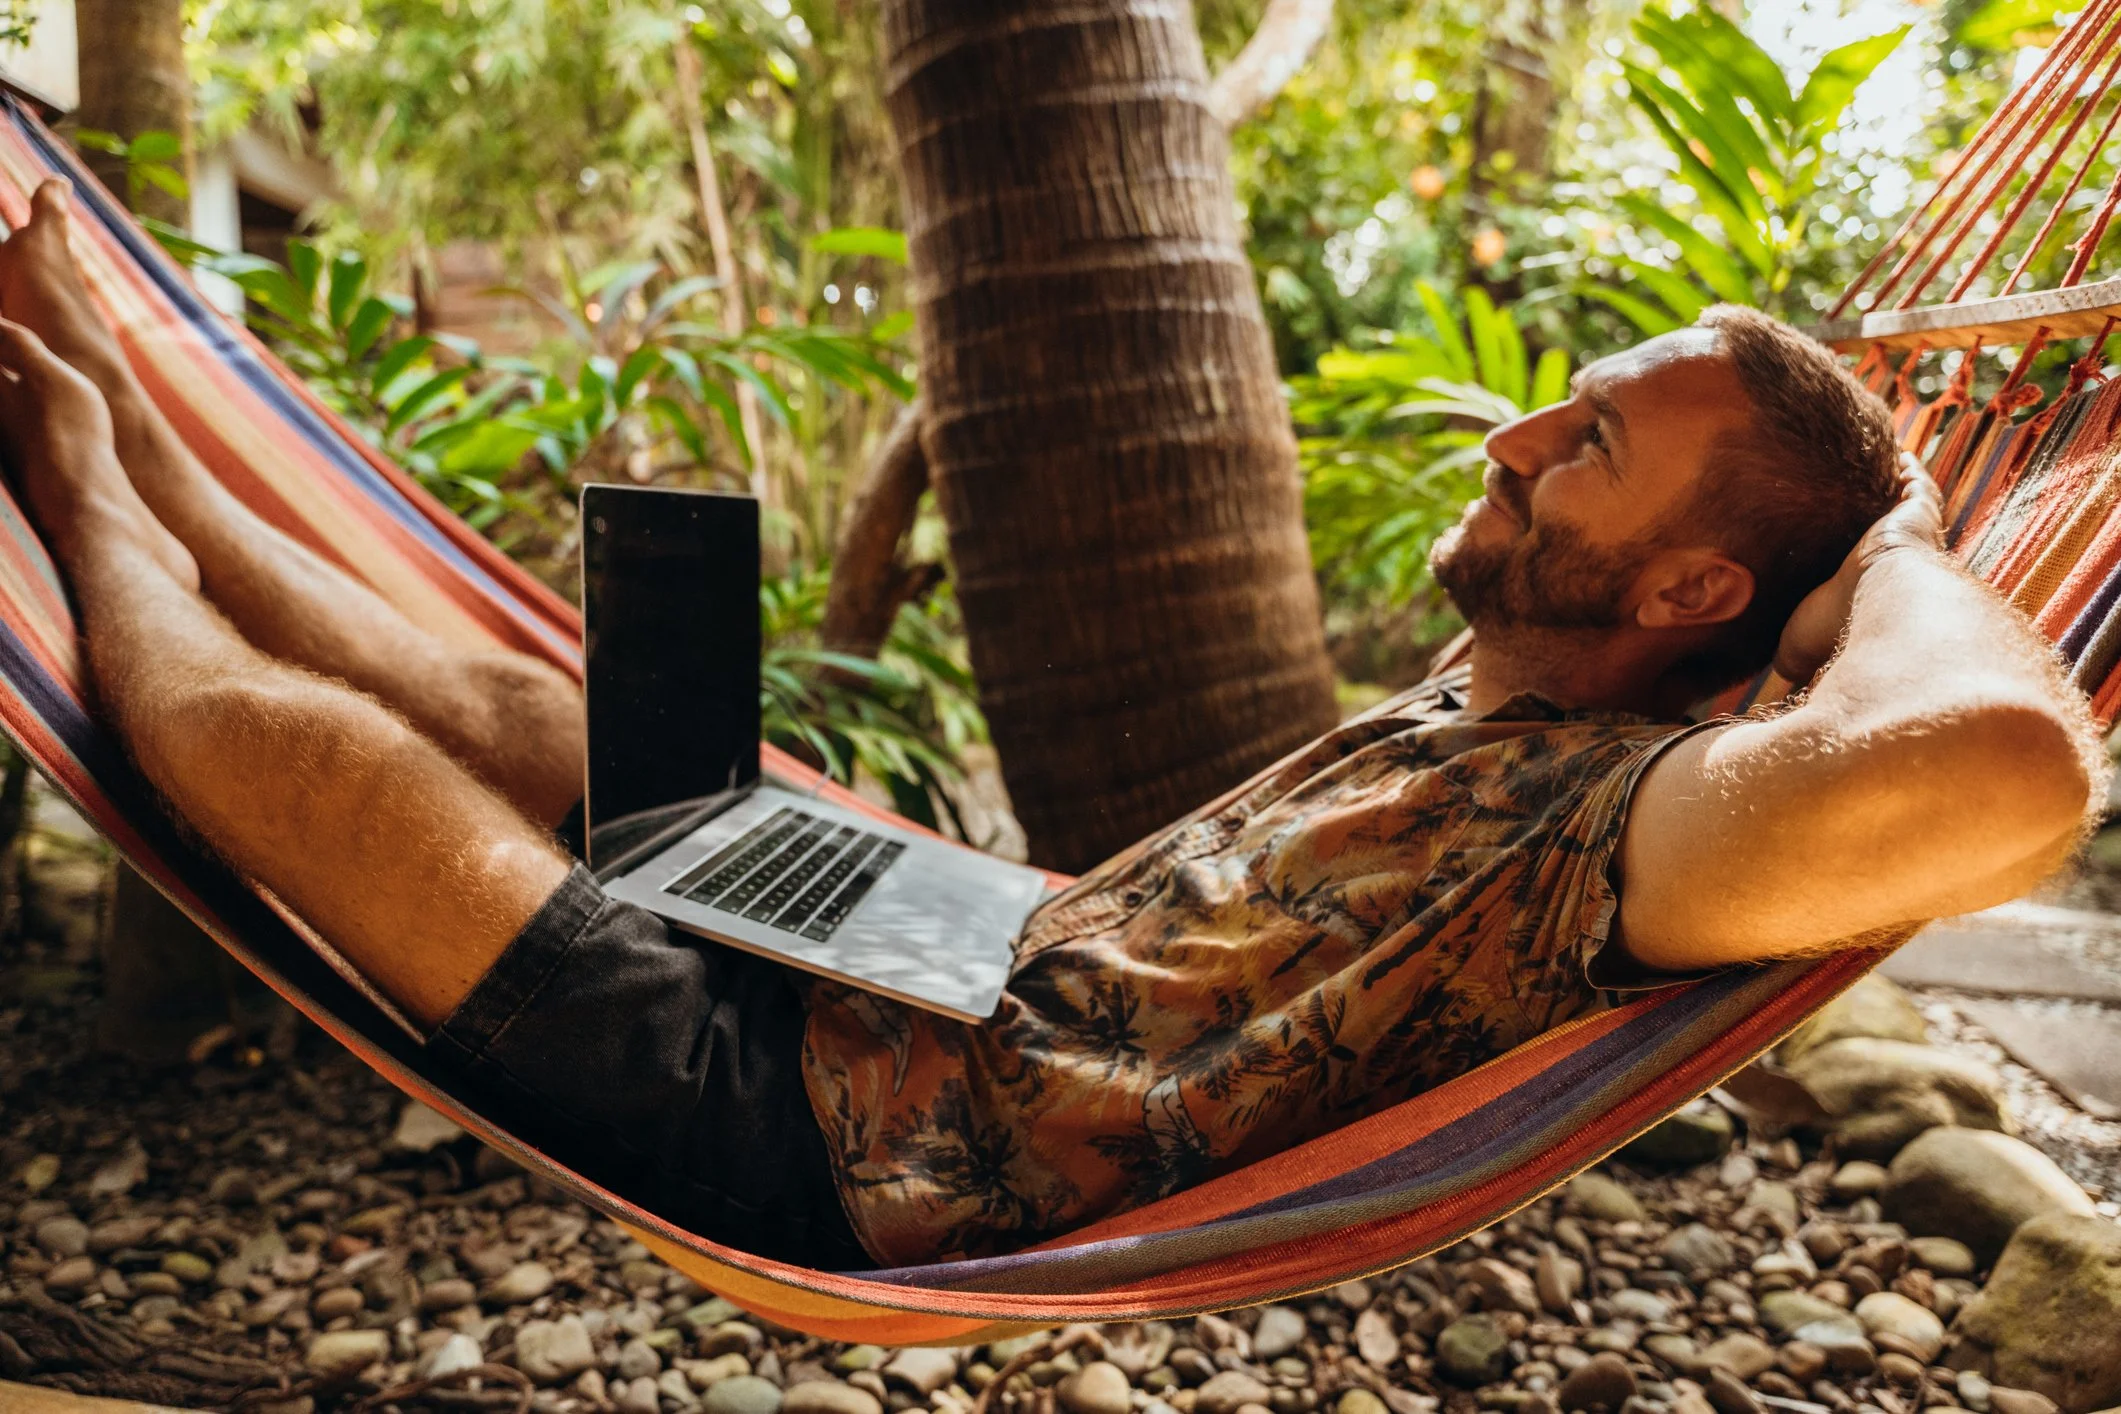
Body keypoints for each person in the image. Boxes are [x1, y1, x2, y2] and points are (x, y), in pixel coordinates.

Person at [0, 178, 2101, 1270]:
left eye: (1596, 441)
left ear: (1693, 594)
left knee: (346, 773)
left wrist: (1902, 539)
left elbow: (2008, 776)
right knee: (511, 698)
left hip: (841, 1141)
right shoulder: (1504, 691)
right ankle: (164, 453)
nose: (1520, 427)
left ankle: (77, 465)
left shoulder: (1635, 823)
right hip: (925, 947)